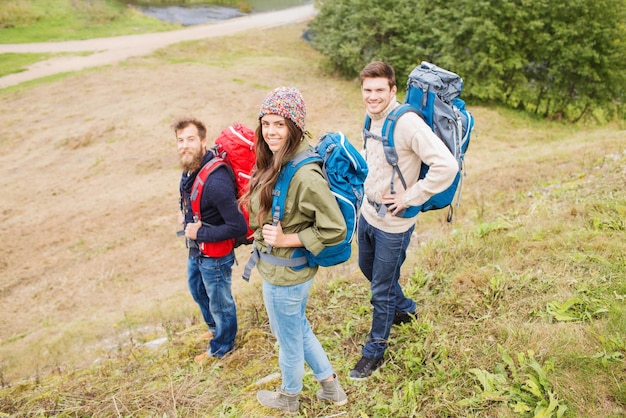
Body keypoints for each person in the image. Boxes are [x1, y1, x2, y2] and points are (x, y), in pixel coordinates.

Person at [241, 87, 348, 414]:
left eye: (279, 124)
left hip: (287, 273)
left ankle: (289, 398)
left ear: (295, 127)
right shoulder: (279, 159)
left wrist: (287, 239)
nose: (271, 132)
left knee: (287, 341)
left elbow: (335, 228)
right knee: (296, 327)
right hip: (280, 269)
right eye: (266, 123)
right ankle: (331, 387)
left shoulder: (304, 174)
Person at [350, 62, 458, 379]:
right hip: (368, 214)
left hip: (394, 226)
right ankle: (406, 308)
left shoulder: (407, 123)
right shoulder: (372, 115)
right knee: (366, 270)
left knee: (380, 291)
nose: (372, 96)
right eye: (367, 90)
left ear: (393, 90)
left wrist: (409, 197)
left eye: (379, 90)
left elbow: (446, 166)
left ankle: (374, 352)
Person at [174, 117, 248, 362]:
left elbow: (238, 226)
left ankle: (222, 347)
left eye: (191, 139)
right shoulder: (191, 168)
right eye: (180, 140)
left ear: (203, 141)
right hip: (198, 250)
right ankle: (216, 330)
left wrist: (200, 233)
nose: (185, 145)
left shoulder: (216, 182)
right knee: (197, 290)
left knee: (220, 302)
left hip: (215, 256)